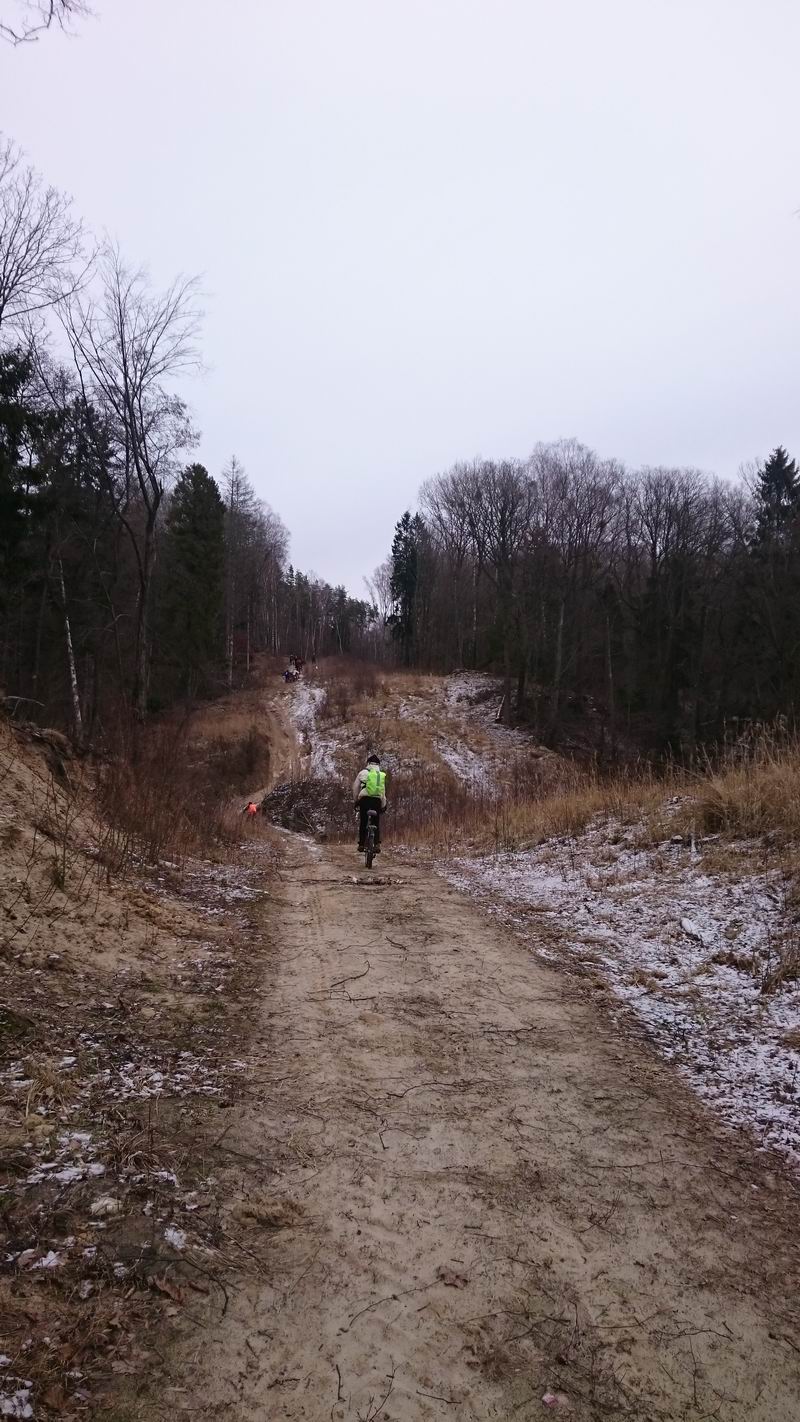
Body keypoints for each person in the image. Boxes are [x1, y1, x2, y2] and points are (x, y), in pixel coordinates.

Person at [352, 754, 387, 853]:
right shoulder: (380, 775)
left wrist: (356, 801)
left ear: (368, 763)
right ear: (378, 764)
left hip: (365, 800)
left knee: (363, 821)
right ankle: (376, 844)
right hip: (376, 801)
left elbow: (355, 788)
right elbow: (383, 792)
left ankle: (362, 844)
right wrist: (383, 805)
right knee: (376, 822)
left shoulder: (363, 773)